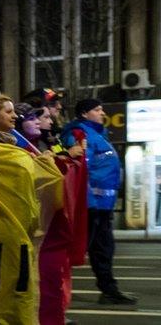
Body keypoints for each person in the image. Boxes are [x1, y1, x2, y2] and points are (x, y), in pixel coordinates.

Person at [62, 98, 138, 305]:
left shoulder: (99, 135)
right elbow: (79, 172)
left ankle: (109, 291)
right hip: (90, 206)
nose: (102, 113)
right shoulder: (80, 134)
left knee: (104, 250)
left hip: (102, 206)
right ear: (85, 114)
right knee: (71, 252)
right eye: (97, 109)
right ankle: (52, 296)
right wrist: (89, 204)